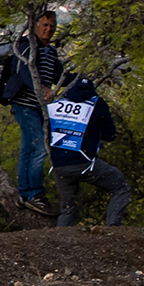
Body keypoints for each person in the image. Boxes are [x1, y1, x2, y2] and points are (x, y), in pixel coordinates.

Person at [0, 10, 69, 215]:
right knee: (39, 148)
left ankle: (25, 195)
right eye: (45, 25)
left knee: (29, 149)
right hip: (25, 105)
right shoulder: (27, 47)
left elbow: (59, 75)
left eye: (52, 26)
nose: (48, 29)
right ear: (36, 25)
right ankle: (34, 195)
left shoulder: (51, 52)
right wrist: (43, 89)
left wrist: (82, 84)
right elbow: (25, 72)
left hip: (39, 107)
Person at [45, 78, 129, 227]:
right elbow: (110, 134)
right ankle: (113, 228)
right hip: (83, 163)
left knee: (67, 209)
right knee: (120, 186)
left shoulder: (56, 105)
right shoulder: (96, 103)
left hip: (59, 165)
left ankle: (59, 240)